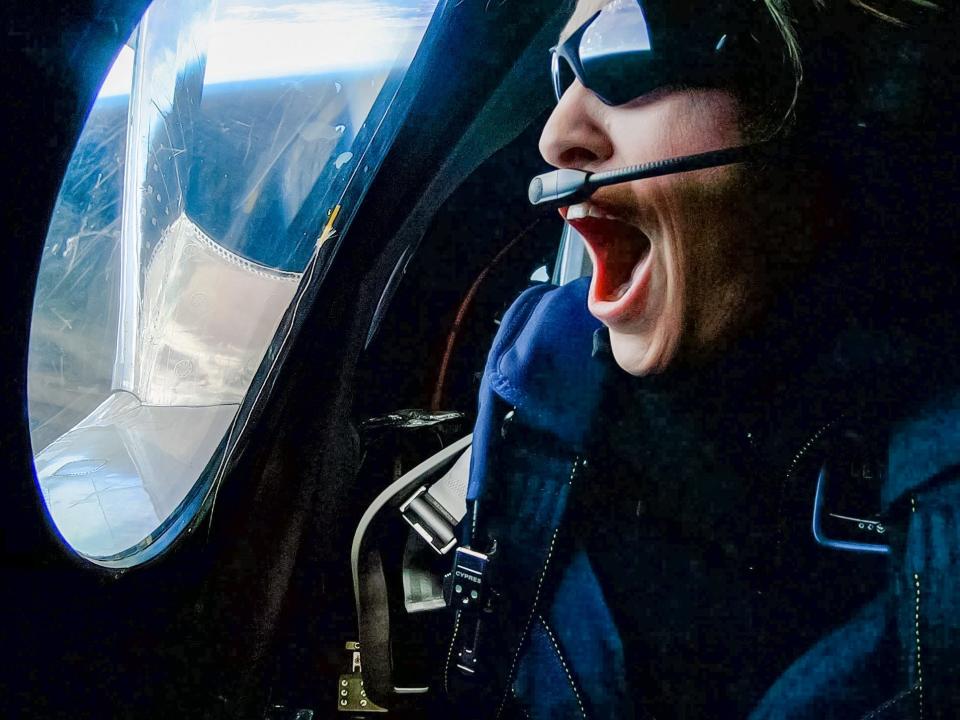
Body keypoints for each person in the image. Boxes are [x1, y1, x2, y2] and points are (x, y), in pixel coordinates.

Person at [444, 0, 960, 718]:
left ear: (843, 97)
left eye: (626, 49)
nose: (557, 137)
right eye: (559, 75)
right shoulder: (536, 391)